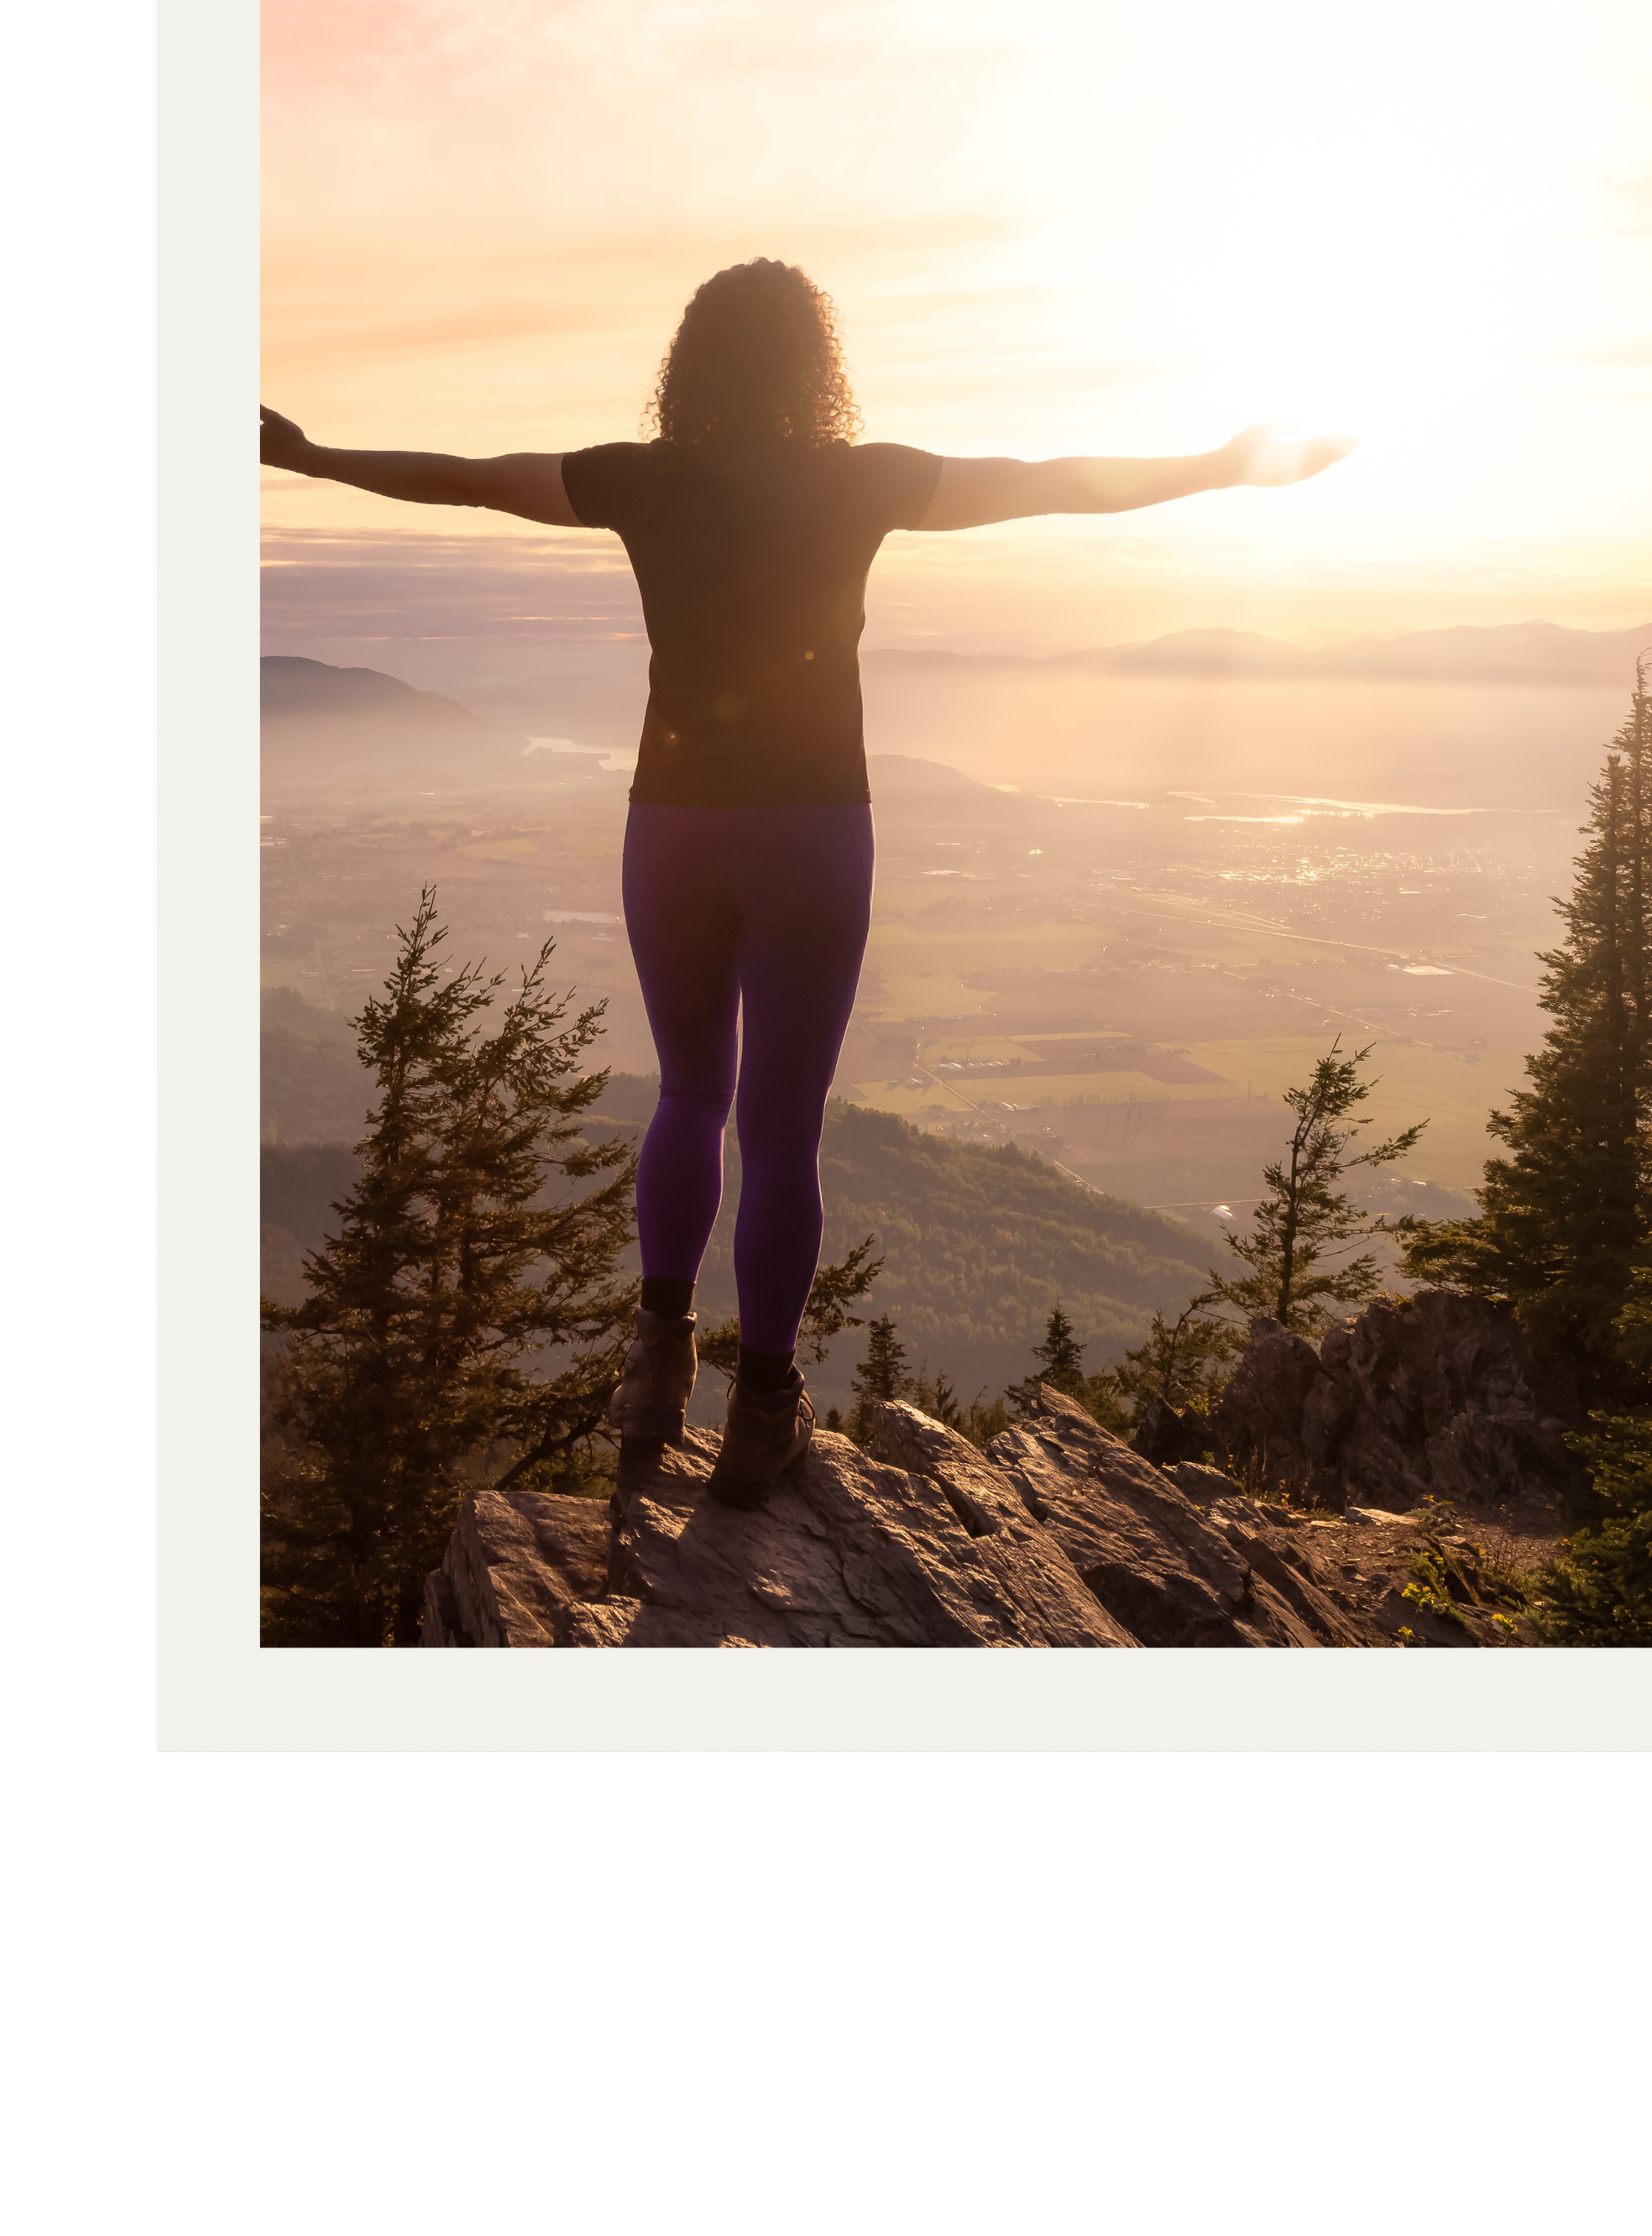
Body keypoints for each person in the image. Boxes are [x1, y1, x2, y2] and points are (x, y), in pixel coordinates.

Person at [260, 258, 1353, 1507]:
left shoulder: (638, 479)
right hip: (813, 830)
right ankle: (761, 1412)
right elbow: (1051, 487)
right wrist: (1223, 464)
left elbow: (468, 479)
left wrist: (314, 458)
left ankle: (653, 1371)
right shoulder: (861, 481)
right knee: (782, 1130)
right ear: (813, 364)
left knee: (686, 1093)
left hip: (669, 826)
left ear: (692, 363)